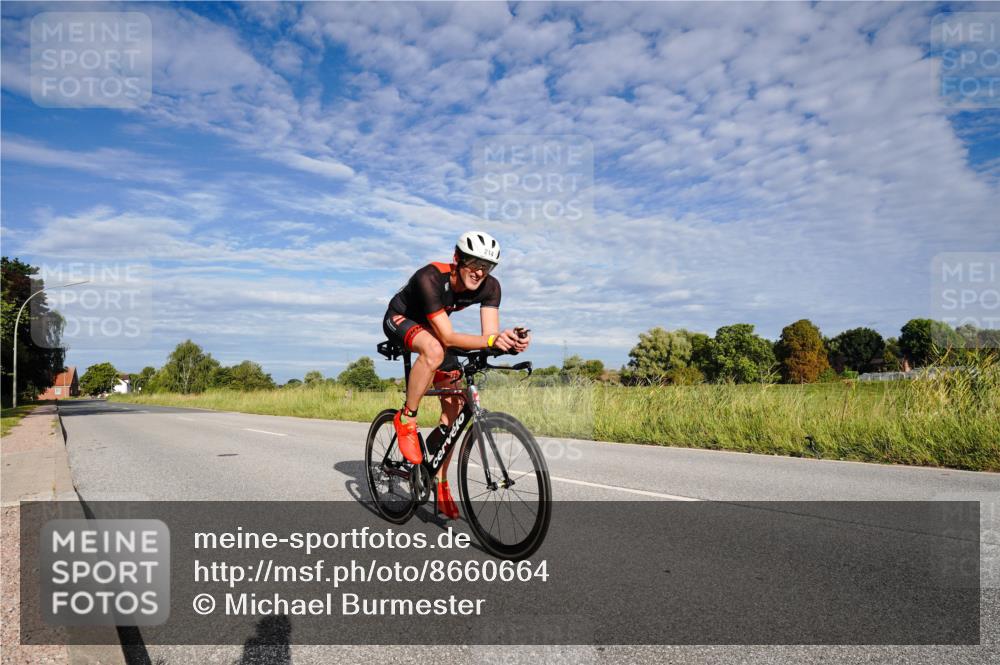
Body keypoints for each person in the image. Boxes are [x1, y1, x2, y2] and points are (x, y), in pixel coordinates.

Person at [382, 231, 530, 518]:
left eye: (486, 266)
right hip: (401, 319)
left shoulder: (491, 287)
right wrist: (491, 341)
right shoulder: (430, 277)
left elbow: (489, 339)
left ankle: (439, 478)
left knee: (454, 414)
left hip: (435, 332)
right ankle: (407, 418)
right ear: (457, 259)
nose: (479, 271)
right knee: (435, 350)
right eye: (473, 263)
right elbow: (448, 337)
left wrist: (508, 343)